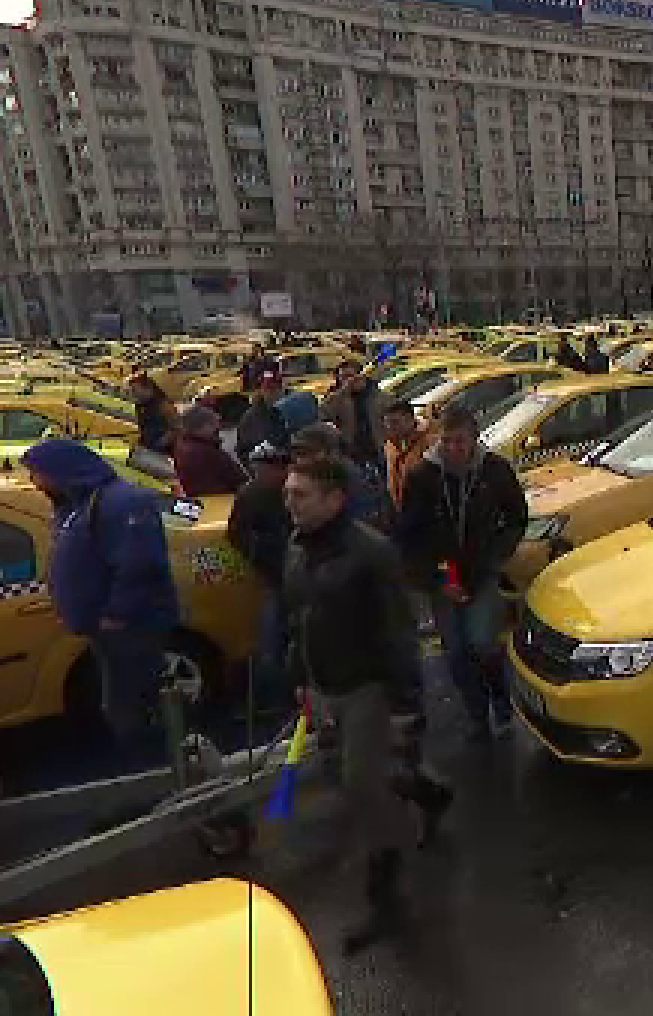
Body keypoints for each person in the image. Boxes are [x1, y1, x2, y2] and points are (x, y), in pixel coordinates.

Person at [282, 454, 450, 952]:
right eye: (289, 492)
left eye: (301, 494)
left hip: (368, 688)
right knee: (361, 773)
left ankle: (387, 899)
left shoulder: (371, 554)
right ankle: (429, 794)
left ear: (335, 500)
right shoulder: (298, 546)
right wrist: (301, 677)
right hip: (326, 683)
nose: (289, 502)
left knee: (362, 786)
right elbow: (299, 617)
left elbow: (397, 635)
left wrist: (405, 706)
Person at [20, 438, 180, 769]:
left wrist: (117, 614)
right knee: (122, 701)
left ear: (61, 471)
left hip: (131, 627)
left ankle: (155, 772)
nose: (35, 483)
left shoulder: (120, 503)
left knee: (132, 705)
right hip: (106, 630)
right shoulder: (79, 503)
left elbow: (139, 563)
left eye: (38, 474)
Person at [395, 403, 528, 742]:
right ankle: (476, 715)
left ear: (474, 439)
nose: (454, 449)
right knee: (455, 652)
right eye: (448, 441)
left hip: (481, 570)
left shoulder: (494, 470)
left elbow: (516, 517)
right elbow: (409, 535)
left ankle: (500, 699)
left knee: (483, 643)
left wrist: (497, 555)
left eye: (461, 441)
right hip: (443, 575)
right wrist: (435, 577)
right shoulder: (423, 477)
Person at [227, 441, 293, 700]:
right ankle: (276, 690)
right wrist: (260, 554)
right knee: (273, 633)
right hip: (274, 572)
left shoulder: (293, 489)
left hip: (297, 569)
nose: (261, 473)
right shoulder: (250, 494)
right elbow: (237, 533)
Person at [292, 422, 382, 526]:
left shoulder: (349, 477)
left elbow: (360, 522)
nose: (301, 460)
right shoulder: (312, 475)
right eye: (298, 454)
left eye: (308, 453)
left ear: (331, 452)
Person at [319, 358, 389, 477]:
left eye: (350, 376)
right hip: (352, 454)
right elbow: (323, 414)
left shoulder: (376, 395)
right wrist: (343, 392)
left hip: (379, 451)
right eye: (343, 377)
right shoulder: (337, 396)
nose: (348, 380)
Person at [172, 404, 247, 497]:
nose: (218, 428)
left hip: (203, 498)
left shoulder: (182, 444)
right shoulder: (206, 451)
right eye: (213, 425)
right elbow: (237, 479)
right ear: (202, 427)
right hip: (223, 498)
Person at [382, 401, 433, 515]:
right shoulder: (391, 446)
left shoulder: (429, 442)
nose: (390, 428)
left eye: (395, 422)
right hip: (402, 510)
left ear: (410, 420)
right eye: (387, 424)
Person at [235, 372, 291, 462]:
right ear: (261, 390)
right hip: (265, 467)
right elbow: (244, 450)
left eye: (277, 387)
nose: (273, 392)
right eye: (269, 388)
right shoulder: (251, 417)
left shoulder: (290, 409)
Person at [129, 373, 179, 454]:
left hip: (163, 451)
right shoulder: (139, 405)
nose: (133, 393)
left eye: (134, 390)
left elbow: (177, 427)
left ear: (147, 388)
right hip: (147, 447)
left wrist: (162, 442)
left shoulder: (164, 405)